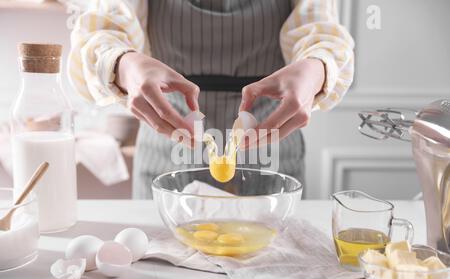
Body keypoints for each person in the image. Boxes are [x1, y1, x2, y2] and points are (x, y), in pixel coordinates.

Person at [68, 0, 354, 199]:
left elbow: (322, 32)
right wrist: (124, 64)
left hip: (274, 159)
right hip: (166, 157)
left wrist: (317, 67)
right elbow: (102, 30)